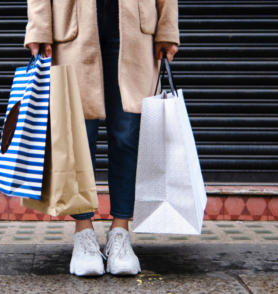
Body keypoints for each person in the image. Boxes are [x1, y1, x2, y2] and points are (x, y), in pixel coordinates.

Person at [24, 0, 179, 276]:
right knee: (78, 136)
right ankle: (83, 232)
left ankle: (121, 232)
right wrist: (39, 28)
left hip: (134, 19)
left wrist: (167, 28)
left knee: (128, 132)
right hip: (73, 19)